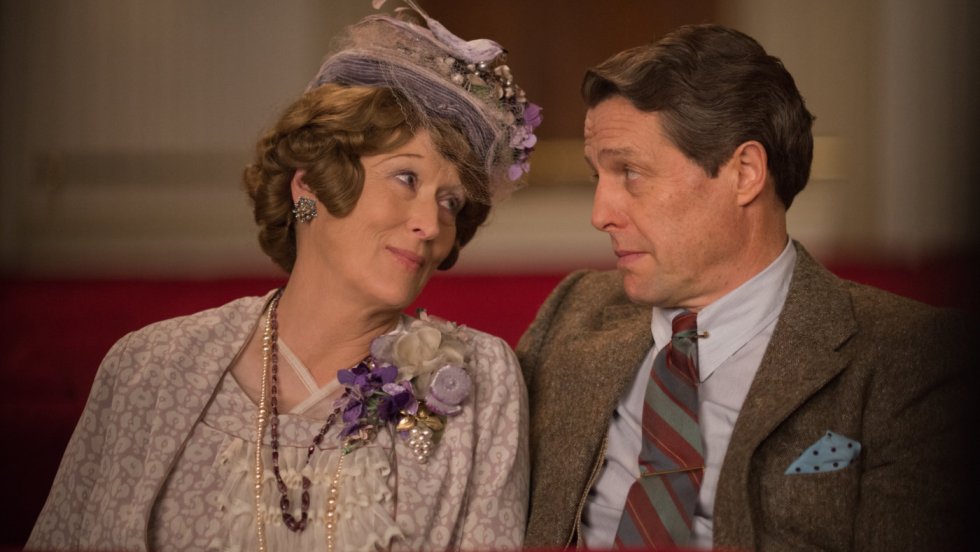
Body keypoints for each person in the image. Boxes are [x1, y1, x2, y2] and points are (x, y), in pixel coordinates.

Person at [27, 3, 540, 551]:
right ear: (311, 184)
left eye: (450, 201)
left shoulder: (480, 380)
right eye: (406, 178)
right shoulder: (149, 368)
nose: (431, 224)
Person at [519, 23, 972, 551]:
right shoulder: (573, 312)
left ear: (746, 172)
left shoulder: (915, 357)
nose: (600, 214)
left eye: (631, 173)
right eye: (598, 177)